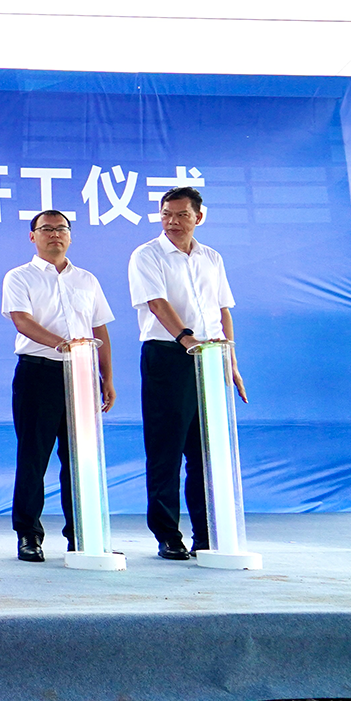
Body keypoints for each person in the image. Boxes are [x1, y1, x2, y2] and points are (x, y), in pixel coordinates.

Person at [128, 185, 245, 560]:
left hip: (210, 357)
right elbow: (156, 303)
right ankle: (167, 535)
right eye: (166, 214)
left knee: (206, 453)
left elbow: (222, 310)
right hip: (168, 356)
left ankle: (207, 534)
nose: (172, 222)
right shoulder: (147, 255)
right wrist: (186, 339)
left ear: (199, 216)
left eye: (181, 215)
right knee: (166, 451)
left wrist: (230, 361)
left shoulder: (211, 257)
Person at [1, 209, 115, 563]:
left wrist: (107, 377)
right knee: (33, 458)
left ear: (70, 235)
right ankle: (28, 535)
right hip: (39, 372)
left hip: (81, 375)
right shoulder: (19, 277)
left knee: (81, 459)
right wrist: (61, 344)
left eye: (61, 229)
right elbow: (22, 321)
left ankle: (82, 534)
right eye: (46, 229)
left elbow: (99, 329)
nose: (55, 235)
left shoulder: (86, 279)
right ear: (32, 236)